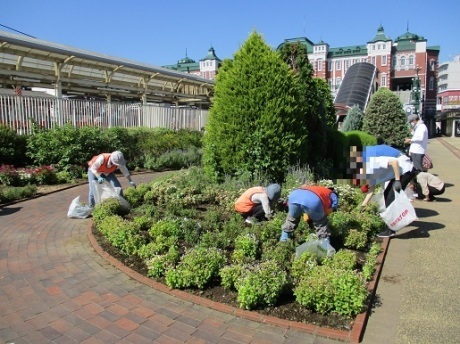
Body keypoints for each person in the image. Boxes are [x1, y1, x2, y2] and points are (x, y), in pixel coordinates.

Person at [356, 144, 416, 237]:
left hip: (405, 169)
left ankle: (391, 230)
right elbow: (371, 190)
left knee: (390, 198)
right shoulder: (369, 173)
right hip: (400, 172)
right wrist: (363, 206)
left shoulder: (371, 162)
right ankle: (392, 223)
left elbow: (394, 162)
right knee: (387, 195)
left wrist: (397, 180)